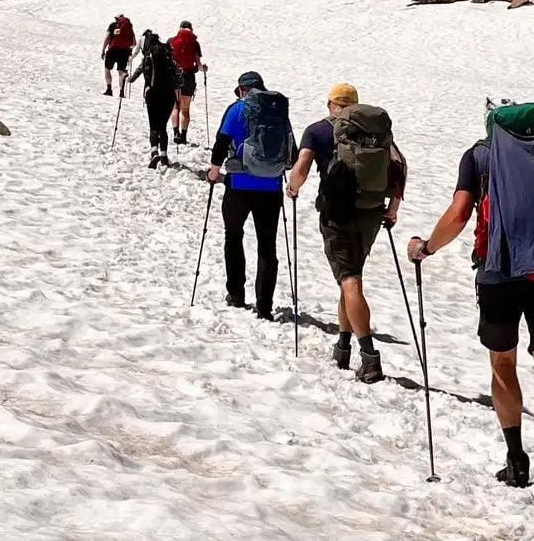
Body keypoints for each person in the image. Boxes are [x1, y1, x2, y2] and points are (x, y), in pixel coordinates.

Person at [407, 132, 534, 516]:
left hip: (497, 273)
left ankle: (516, 459)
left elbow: (459, 213)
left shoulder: (479, 155)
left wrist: (426, 248)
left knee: (503, 362)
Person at [286, 83, 406, 384]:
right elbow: (399, 165)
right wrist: (392, 208)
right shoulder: (373, 129)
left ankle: (369, 356)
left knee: (349, 280)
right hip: (372, 212)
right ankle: (343, 346)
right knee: (349, 277)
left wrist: (293, 188)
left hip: (338, 215)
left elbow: (302, 166)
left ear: (330, 103)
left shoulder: (317, 130)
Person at [205, 72, 289, 318]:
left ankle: (236, 294)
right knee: (267, 245)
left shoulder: (237, 109)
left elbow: (221, 143)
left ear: (242, 90)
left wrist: (213, 172)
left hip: (239, 185)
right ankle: (264, 306)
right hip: (271, 187)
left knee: (233, 236)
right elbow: (290, 149)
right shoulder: (278, 110)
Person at [134, 30, 179, 170]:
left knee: (153, 125)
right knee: (162, 126)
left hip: (152, 93)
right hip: (168, 94)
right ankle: (164, 156)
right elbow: (178, 76)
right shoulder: (168, 53)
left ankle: (154, 153)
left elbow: (143, 72)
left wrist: (129, 79)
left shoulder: (148, 55)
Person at [169, 21, 205, 146]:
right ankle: (183, 137)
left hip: (174, 77)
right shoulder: (195, 43)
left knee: (175, 107)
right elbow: (199, 66)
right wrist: (204, 69)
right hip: (189, 77)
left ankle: (176, 133)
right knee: (185, 110)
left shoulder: (171, 41)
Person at [103, 14, 136, 97]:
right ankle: (121, 93)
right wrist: (129, 50)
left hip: (112, 51)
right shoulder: (129, 27)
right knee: (121, 72)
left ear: (116, 18)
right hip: (124, 52)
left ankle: (109, 89)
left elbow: (107, 38)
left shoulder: (113, 25)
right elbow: (134, 42)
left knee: (107, 69)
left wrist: (103, 50)